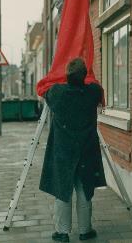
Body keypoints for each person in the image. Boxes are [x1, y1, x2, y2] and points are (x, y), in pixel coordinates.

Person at [39, 58, 106, 242]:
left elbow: (45, 90)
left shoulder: (57, 93)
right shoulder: (92, 93)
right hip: (86, 150)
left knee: (63, 190)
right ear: (84, 76)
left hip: (64, 152)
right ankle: (85, 231)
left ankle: (62, 232)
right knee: (84, 189)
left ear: (66, 76)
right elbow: (97, 87)